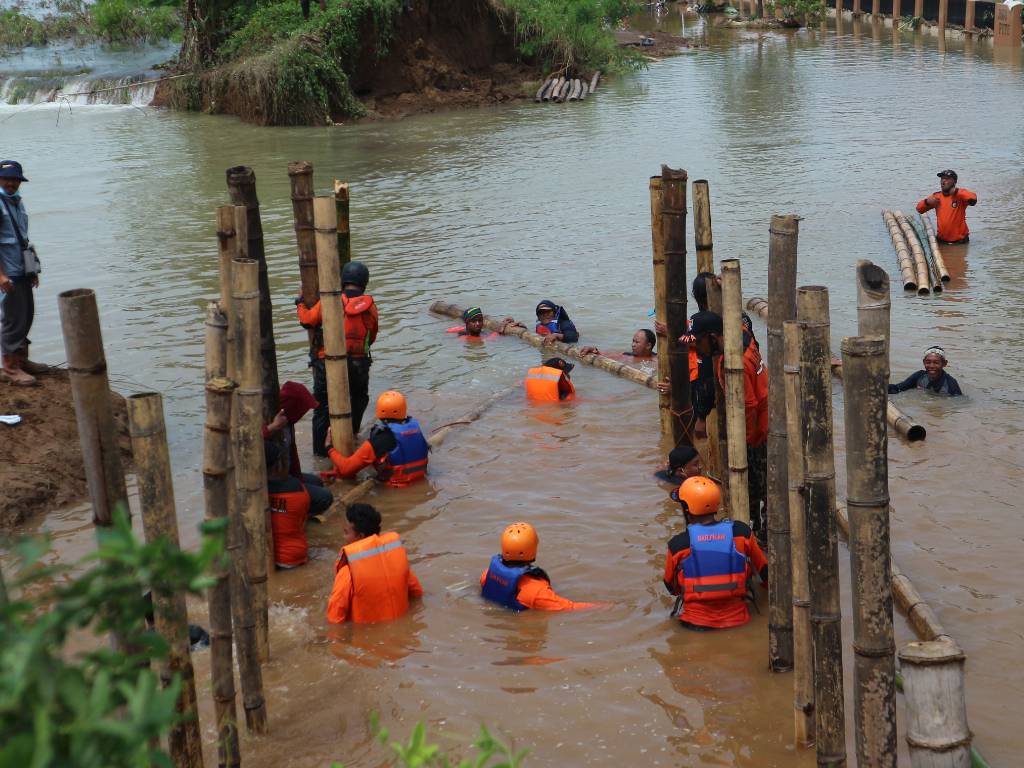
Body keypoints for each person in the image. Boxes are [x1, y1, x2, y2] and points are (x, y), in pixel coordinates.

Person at [689, 310, 768, 536]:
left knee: (756, 489)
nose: (697, 348)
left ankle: (757, 534)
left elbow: (749, 406)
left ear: (713, 336)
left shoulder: (736, 362)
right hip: (765, 422)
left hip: (758, 433)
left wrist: (745, 442)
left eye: (699, 341)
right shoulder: (743, 335)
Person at [663, 476, 768, 631]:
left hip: (694, 626)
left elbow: (671, 587)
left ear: (686, 509)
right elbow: (765, 574)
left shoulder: (678, 545)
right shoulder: (741, 533)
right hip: (739, 621)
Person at [296, 259, 378, 457]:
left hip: (328, 363)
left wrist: (299, 302)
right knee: (359, 399)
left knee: (322, 407)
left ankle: (320, 453)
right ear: (364, 282)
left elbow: (307, 321)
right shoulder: (370, 306)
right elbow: (372, 335)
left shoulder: (331, 300)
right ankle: (351, 436)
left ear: (343, 280)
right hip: (359, 363)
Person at [327, 503, 423, 624]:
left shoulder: (348, 572)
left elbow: (334, 618)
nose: (344, 537)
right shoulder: (397, 559)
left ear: (360, 536)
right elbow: (416, 592)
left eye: (346, 533)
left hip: (366, 638)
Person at [0, 160, 47, 387]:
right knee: (12, 320)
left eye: (15, 180)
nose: (11, 183)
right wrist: (1, 276)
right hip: (7, 274)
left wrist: (32, 269)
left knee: (26, 316)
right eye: (7, 179)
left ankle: (21, 360)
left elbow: (22, 239)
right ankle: (10, 368)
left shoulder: (16, 202)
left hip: (22, 270)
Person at [481, 522, 598, 611]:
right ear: (533, 549)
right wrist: (609, 607)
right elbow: (571, 608)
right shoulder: (536, 591)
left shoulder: (487, 574)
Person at [326, 390, 429, 486]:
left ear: (379, 411)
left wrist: (329, 447)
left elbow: (346, 469)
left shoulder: (381, 438)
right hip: (420, 479)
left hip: (394, 486)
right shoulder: (415, 427)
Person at [262, 381, 333, 517]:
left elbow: (292, 457)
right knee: (325, 497)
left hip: (285, 474)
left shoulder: (289, 424)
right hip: (271, 481)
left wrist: (298, 480)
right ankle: (291, 514)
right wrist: (271, 428)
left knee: (317, 482)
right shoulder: (269, 421)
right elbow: (248, 442)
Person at [266, 440, 312, 569]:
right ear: (278, 464)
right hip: (295, 557)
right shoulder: (300, 490)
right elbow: (302, 520)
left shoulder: (255, 495)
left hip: (266, 560)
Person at [916, 169, 977, 245]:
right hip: (942, 242)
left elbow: (973, 199)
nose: (943, 181)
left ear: (954, 182)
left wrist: (956, 191)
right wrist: (927, 202)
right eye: (942, 179)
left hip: (960, 242)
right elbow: (919, 209)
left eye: (947, 179)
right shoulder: (937, 196)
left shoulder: (960, 196)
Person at [888, 346, 963, 396]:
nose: (931, 366)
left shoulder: (951, 383)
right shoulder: (919, 376)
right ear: (924, 362)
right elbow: (898, 388)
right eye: (928, 362)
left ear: (944, 363)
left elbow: (958, 403)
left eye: (936, 363)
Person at [579, 328, 656, 360]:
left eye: (637, 342)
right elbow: (607, 355)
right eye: (633, 341)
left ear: (648, 345)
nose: (633, 345)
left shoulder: (657, 360)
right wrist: (593, 350)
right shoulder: (628, 355)